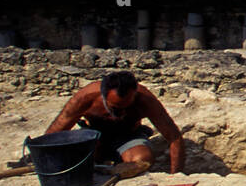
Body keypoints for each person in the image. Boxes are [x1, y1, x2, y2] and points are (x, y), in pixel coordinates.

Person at [44, 71, 185, 173]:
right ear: (104, 97)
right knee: (76, 158)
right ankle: (98, 161)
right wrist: (42, 159)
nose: (122, 113)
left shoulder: (145, 100)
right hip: (94, 136)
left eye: (127, 107)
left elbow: (174, 137)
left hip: (128, 136)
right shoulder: (86, 98)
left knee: (143, 159)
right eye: (116, 109)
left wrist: (176, 175)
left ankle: (112, 165)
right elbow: (57, 129)